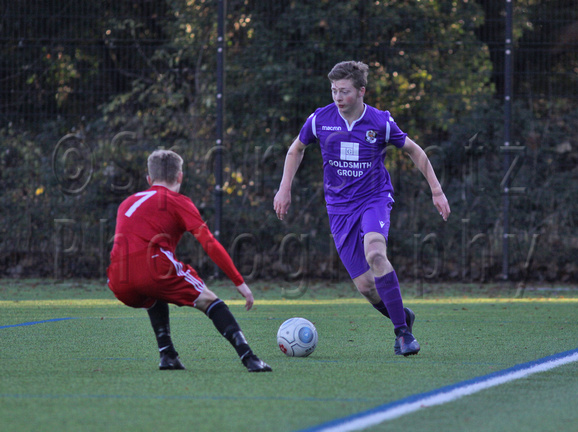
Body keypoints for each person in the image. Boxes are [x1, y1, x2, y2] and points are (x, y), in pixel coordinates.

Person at [273, 61, 450, 356]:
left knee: (376, 253)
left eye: (344, 91)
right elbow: (296, 149)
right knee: (367, 287)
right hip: (339, 210)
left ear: (361, 91)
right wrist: (284, 187)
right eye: (333, 91)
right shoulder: (320, 120)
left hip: (373, 200)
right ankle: (402, 316)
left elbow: (414, 150)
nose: (338, 98)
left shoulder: (379, 122)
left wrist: (437, 190)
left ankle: (403, 334)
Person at [107, 149, 272, 372]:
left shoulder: (127, 202)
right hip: (153, 267)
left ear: (149, 179)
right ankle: (250, 358)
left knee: (153, 295)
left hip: (118, 278)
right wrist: (239, 282)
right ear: (180, 177)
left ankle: (167, 355)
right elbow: (209, 243)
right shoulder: (177, 201)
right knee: (210, 301)